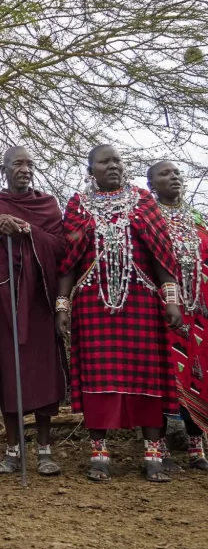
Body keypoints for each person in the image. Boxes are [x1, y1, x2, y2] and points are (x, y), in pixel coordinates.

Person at [56, 145, 183, 483]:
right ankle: (99, 453)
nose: (113, 166)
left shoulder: (143, 201)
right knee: (98, 376)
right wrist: (62, 304)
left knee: (147, 373)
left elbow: (162, 256)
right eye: (104, 161)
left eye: (117, 161)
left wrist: (171, 299)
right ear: (90, 169)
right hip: (92, 304)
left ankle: (153, 453)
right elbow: (69, 260)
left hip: (141, 301)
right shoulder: (77, 205)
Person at [0, 146, 68, 477]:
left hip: (39, 299)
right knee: (9, 372)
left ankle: (45, 450)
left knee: (43, 374)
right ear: (4, 169)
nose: (25, 169)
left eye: (30, 164)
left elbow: (61, 247)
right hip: (4, 302)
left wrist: (29, 230)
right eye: (18, 163)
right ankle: (13, 451)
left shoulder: (47, 205)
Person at [147, 160, 208, 471]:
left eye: (177, 173)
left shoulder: (196, 219)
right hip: (162, 308)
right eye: (164, 174)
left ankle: (197, 447)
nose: (173, 177)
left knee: (199, 374)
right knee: (163, 373)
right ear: (151, 185)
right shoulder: (149, 219)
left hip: (199, 310)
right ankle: (159, 448)